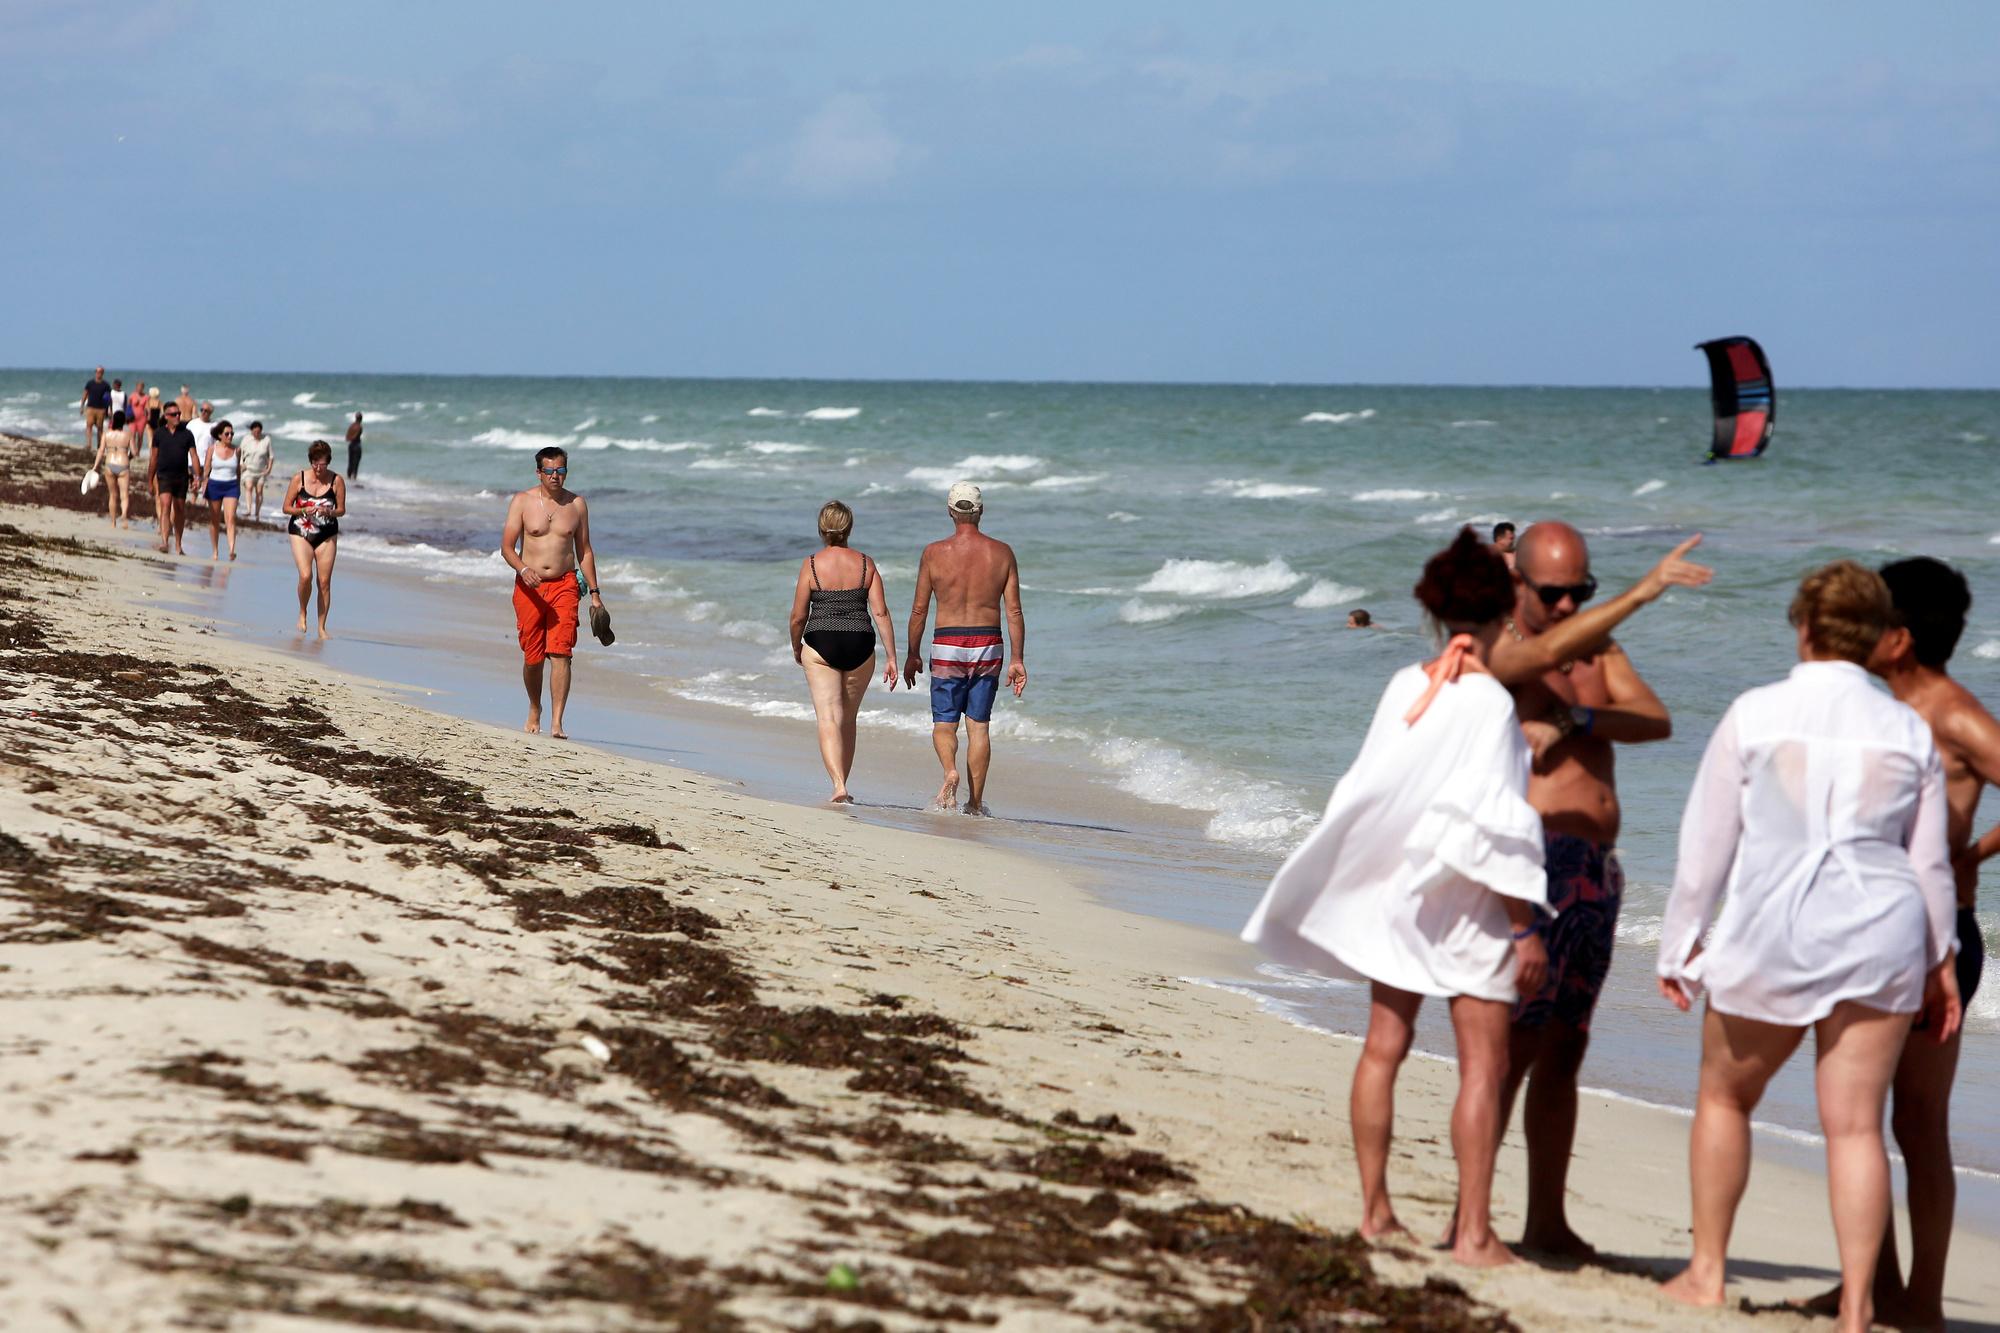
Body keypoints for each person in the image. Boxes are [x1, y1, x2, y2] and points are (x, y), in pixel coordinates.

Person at [1657, 561, 1961, 1333]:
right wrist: (1942, 962)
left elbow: (1707, 843)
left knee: (1725, 1095)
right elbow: (1927, 862)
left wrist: (1680, 941)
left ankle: (1707, 1272)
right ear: (1877, 636)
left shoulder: (1754, 712)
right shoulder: (1905, 728)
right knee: (1855, 1125)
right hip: (1881, 930)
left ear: (1803, 626)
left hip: (1775, 927)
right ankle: (1860, 1306)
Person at [1242, 527, 1552, 1268]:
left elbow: (1365, 789)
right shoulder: (1490, 704)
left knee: (1384, 1046)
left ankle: (1376, 1212)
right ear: (1506, 606)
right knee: (1484, 1064)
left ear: (1434, 611)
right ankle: (1473, 1232)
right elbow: (1498, 819)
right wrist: (1524, 926)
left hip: (1400, 895)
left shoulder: (1405, 685)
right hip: (1470, 902)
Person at [1792, 556, 1996, 1330]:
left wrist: (1973, 852)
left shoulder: (1952, 714)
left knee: (1915, 1122)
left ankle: (1923, 1301)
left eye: (1872, 618)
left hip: (1933, 940)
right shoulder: (1881, 709)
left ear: (1900, 637)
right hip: (1867, 929)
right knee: (1856, 1112)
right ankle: (1871, 1286)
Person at [1492, 520, 1674, 1259]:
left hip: (1595, 868)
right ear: (1520, 585)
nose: (1569, 607)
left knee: (1567, 1045)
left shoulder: (1599, 650)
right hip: (1534, 862)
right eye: (1555, 592)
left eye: (1582, 592)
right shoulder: (1503, 651)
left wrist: (1579, 716)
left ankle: (1545, 1219)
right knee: (1511, 1042)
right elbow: (1528, 665)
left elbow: (1655, 719)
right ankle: (1471, 1211)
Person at [902, 482, 1026, 815]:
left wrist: (912, 653)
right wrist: (1017, 659)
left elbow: (919, 609)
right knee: (979, 725)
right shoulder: (1002, 553)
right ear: (981, 511)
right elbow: (1013, 610)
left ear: (950, 511)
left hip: (947, 642)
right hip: (988, 642)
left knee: (945, 723)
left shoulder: (934, 552)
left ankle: (950, 772)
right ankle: (974, 803)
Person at [788, 500, 901, 803]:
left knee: (828, 717)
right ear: (849, 527)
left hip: (820, 641)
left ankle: (839, 786)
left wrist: (796, 646)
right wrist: (892, 656)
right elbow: (881, 613)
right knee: (848, 719)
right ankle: (843, 783)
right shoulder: (866, 563)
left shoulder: (811, 563)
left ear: (821, 529)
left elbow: (798, 616)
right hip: (860, 643)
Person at [500, 446, 604, 739]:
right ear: (539, 473)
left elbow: (584, 551)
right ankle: (535, 707)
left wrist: (595, 592)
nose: (555, 476)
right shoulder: (522, 502)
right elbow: (507, 547)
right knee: (533, 658)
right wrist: (522, 569)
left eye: (561, 471)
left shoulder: (577, 505)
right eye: (549, 471)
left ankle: (557, 722)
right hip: (529, 587)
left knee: (562, 653)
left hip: (565, 585)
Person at [283, 442, 346, 638]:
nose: (319, 468)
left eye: (323, 464)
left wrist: (330, 511)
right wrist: (303, 509)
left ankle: (321, 627)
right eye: (316, 464)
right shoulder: (299, 479)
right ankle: (303, 612)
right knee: (305, 576)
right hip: (301, 530)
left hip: (327, 533)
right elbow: (286, 507)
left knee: (324, 582)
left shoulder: (336, 481)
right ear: (311, 462)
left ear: (328, 462)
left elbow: (342, 510)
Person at [146, 401, 198, 554]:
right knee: (165, 505)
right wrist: (150, 479)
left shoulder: (187, 434)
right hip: (164, 475)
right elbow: (153, 458)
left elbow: (194, 456)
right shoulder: (159, 434)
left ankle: (178, 544)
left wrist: (197, 477)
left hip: (182, 477)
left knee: (180, 510)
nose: (177, 417)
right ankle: (164, 541)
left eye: (179, 414)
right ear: (166, 416)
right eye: (174, 414)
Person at [195, 421, 241, 560]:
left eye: (232, 433)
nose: (230, 436)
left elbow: (238, 470)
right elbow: (207, 468)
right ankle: (215, 551)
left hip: (231, 486)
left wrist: (238, 486)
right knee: (215, 519)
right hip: (214, 485)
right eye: (227, 433)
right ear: (220, 435)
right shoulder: (212, 449)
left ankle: (231, 549)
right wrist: (203, 484)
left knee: (230, 518)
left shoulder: (237, 450)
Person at [90, 408, 137, 528]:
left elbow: (101, 450)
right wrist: (129, 457)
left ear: (113, 420)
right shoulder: (128, 434)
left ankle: (113, 522)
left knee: (112, 495)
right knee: (124, 494)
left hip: (109, 464)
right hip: (123, 464)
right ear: (124, 422)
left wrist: (95, 466)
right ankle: (124, 517)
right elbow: (134, 451)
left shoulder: (107, 433)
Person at [238, 421, 275, 522]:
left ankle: (257, 512)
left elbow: (271, 456)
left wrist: (269, 469)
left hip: (261, 471)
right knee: (249, 487)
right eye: (254, 432)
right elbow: (240, 452)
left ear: (261, 431)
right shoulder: (246, 439)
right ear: (251, 431)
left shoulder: (266, 440)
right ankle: (249, 510)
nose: (256, 434)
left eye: (258, 432)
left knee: (259, 491)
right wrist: (241, 464)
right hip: (248, 469)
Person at [81, 366, 112, 453]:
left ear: (103, 373)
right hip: (90, 408)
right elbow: (85, 394)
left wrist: (110, 409)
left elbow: (109, 398)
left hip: (101, 409)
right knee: (89, 426)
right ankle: (89, 444)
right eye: (97, 372)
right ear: (95, 372)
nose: (99, 373)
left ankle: (99, 445)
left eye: (100, 372)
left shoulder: (106, 385)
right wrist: (82, 406)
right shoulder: (90, 383)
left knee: (100, 428)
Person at [346, 412, 365, 480]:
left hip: (351, 445)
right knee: (356, 463)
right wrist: (354, 438)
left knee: (350, 462)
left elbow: (347, 437)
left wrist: (351, 438)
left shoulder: (351, 426)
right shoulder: (359, 427)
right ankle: (354, 479)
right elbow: (356, 436)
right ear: (361, 419)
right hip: (357, 445)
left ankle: (348, 478)